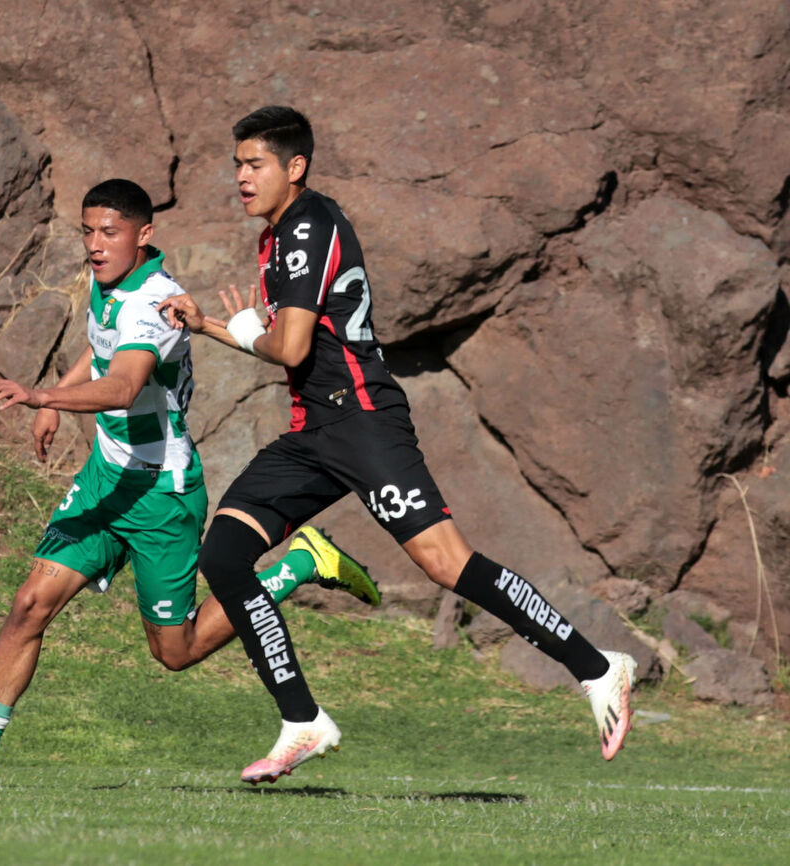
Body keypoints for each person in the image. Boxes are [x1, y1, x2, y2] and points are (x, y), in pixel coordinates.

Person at [158, 106, 637, 785]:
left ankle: (597, 666)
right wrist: (210, 323)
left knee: (447, 564)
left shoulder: (305, 227)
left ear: (295, 168)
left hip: (362, 422)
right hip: (314, 432)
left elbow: (288, 345)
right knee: (226, 555)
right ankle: (302, 719)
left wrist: (234, 331)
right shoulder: (279, 236)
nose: (241, 176)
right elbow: (297, 345)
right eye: (237, 163)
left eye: (255, 163)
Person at [0, 178, 379, 789]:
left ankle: (297, 565)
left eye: (110, 232)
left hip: (161, 492)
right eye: (88, 231)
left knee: (174, 652)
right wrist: (59, 396)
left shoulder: (156, 303)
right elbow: (101, 348)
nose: (96, 245)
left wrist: (43, 395)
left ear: (143, 235)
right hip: (107, 478)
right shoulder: (109, 286)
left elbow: (125, 383)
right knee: (29, 605)